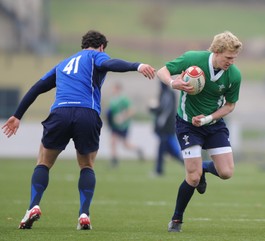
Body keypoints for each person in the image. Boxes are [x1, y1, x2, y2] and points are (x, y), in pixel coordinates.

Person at [1, 30, 155, 230]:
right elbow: (109, 64)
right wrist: (137, 65)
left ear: (83, 45)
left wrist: (18, 115)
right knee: (86, 165)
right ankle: (84, 214)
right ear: (101, 47)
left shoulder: (63, 63)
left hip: (60, 112)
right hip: (87, 114)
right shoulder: (96, 56)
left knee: (44, 162)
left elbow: (37, 87)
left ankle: (33, 206)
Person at [157, 31, 243, 232]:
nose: (231, 61)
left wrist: (207, 118)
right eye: (228, 57)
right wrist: (173, 82)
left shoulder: (234, 75)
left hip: (213, 125)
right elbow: (162, 71)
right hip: (187, 125)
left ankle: (204, 167)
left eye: (234, 58)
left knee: (227, 172)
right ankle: (177, 219)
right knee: (193, 178)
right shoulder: (193, 59)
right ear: (217, 51)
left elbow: (230, 105)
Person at [149, 81, 184, 176]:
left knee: (164, 148)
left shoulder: (168, 93)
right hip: (167, 127)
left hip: (166, 127)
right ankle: (189, 165)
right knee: (171, 151)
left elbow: (164, 110)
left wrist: (153, 108)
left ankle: (159, 170)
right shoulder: (166, 93)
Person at [106, 82, 144, 168]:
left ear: (119, 89)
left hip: (124, 125)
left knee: (126, 145)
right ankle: (114, 161)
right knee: (113, 142)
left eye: (115, 88)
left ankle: (138, 149)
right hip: (115, 126)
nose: (113, 90)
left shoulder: (124, 99)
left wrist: (122, 117)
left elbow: (132, 110)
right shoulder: (112, 100)